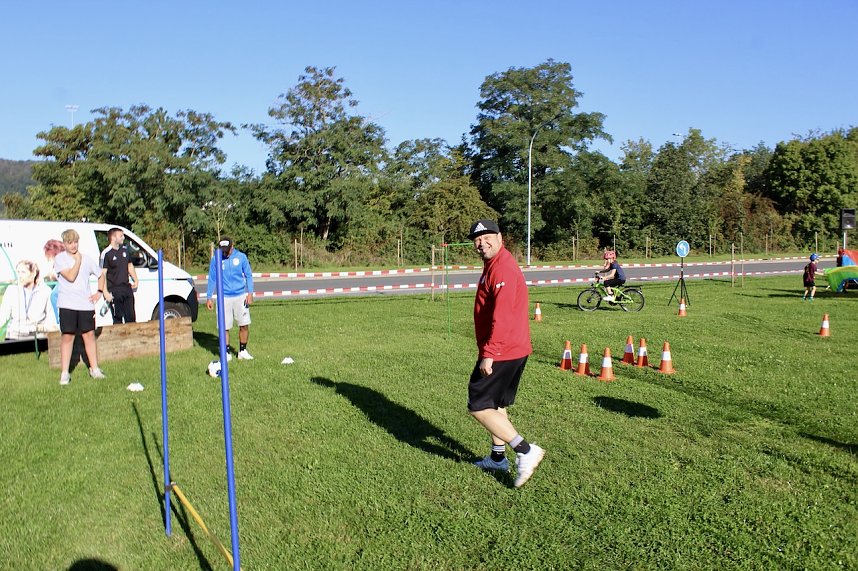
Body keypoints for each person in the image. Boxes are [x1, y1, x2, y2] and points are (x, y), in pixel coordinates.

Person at [467, 219, 545, 488]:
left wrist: (489, 353)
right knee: (496, 405)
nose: (482, 243)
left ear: (500, 237)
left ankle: (525, 450)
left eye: (487, 237)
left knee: (478, 405)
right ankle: (498, 458)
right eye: (477, 239)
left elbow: (503, 315)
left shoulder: (502, 268)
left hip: (502, 349)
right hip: (510, 347)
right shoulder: (495, 264)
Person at [54, 229, 106, 385]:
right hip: (67, 304)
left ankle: (94, 368)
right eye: (70, 243)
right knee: (67, 336)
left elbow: (100, 275)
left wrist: (99, 292)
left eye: (75, 242)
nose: (73, 246)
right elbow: (70, 277)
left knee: (89, 335)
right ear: (64, 244)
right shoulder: (60, 259)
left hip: (85, 305)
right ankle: (65, 373)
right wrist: (77, 261)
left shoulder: (88, 259)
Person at [206, 236, 255, 360]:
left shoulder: (241, 257)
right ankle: (226, 353)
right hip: (224, 298)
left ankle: (242, 351)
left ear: (232, 246)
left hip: (240, 296)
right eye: (223, 250)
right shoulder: (216, 259)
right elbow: (212, 278)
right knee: (224, 326)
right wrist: (209, 297)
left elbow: (248, 275)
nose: (225, 252)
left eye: (227, 249)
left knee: (244, 324)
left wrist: (250, 293)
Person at [0, 259, 58, 340]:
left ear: (33, 273)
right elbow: (3, 315)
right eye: (18, 272)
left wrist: (40, 328)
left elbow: (51, 319)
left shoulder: (45, 291)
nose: (19, 276)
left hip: (37, 338)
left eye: (23, 272)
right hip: (14, 336)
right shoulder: (11, 291)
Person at [98, 227, 139, 323]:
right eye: (121, 236)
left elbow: (129, 265)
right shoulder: (106, 253)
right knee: (118, 319)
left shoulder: (125, 250)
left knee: (131, 317)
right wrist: (105, 292)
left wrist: (135, 279)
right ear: (113, 237)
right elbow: (102, 274)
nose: (123, 238)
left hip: (126, 288)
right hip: (114, 290)